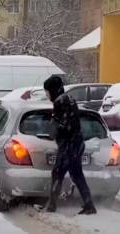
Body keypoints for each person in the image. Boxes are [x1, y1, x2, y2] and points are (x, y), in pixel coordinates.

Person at [43, 75, 97, 215]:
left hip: (69, 145)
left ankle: (52, 205)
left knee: (57, 173)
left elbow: (66, 125)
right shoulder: (68, 99)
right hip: (77, 143)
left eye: (48, 91)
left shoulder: (62, 102)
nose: (47, 94)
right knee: (76, 174)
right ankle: (89, 204)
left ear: (54, 90)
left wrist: (54, 128)